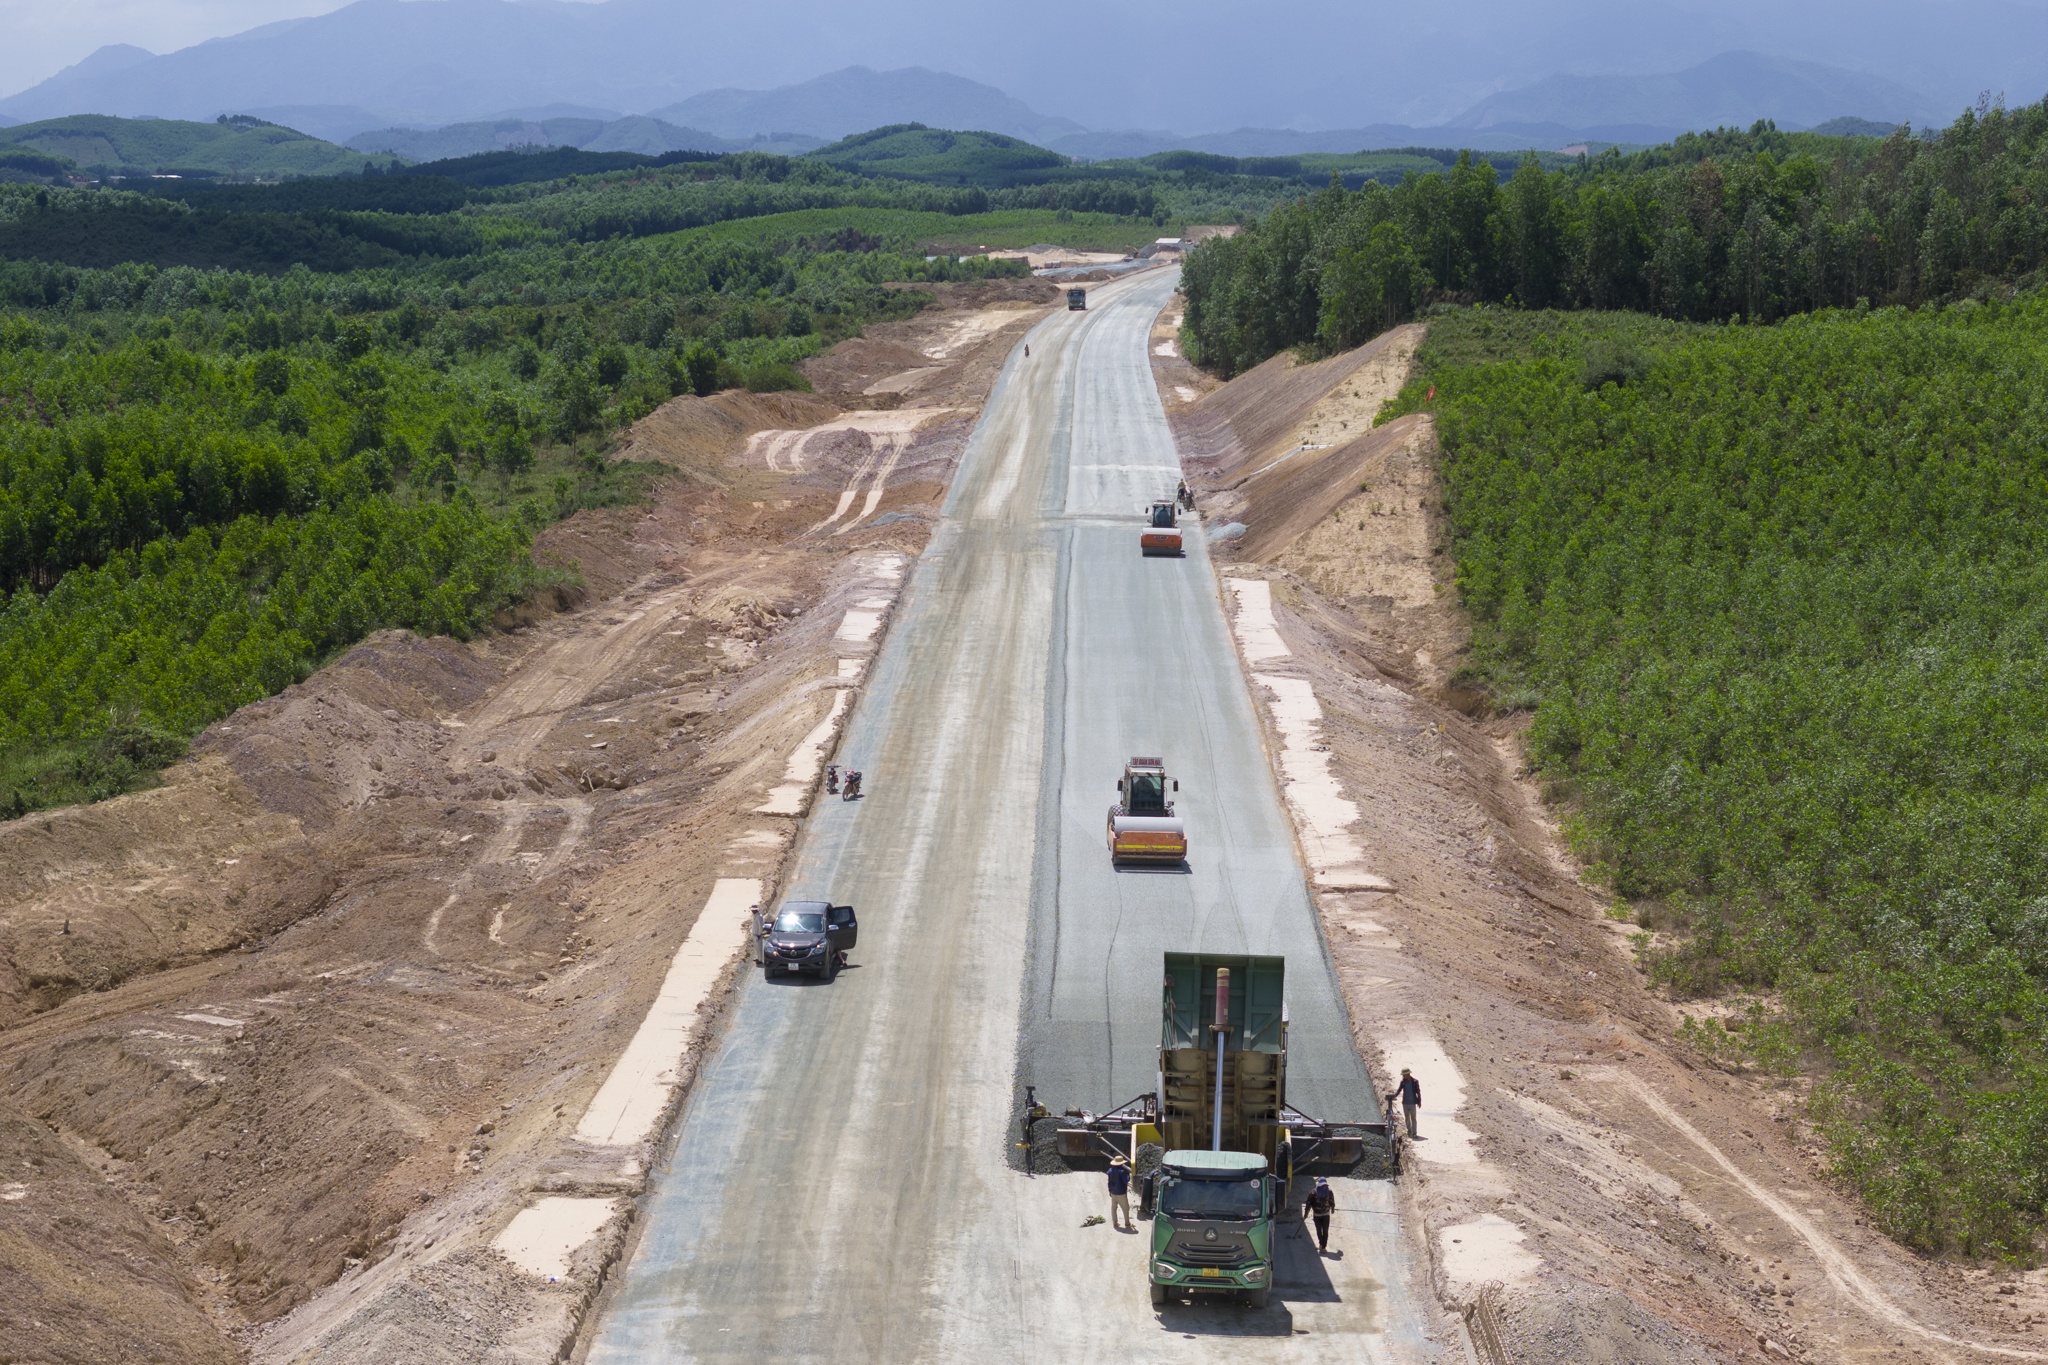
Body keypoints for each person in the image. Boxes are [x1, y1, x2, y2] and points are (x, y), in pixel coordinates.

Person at [1303, 1176, 1335, 1253]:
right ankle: (1323, 1246)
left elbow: (1308, 1204)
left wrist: (1306, 1214)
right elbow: (1332, 1202)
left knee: (1320, 1231)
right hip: (1324, 1215)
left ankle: (1322, 1245)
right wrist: (1332, 1208)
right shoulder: (1328, 1191)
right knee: (1324, 1231)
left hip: (1318, 1215)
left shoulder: (1313, 1192)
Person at [1388, 1068, 1421, 1139]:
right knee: (1407, 1118)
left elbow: (1418, 1092)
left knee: (1413, 1118)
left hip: (1412, 1103)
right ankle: (1409, 1131)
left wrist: (1419, 1102)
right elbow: (1399, 1090)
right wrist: (1394, 1096)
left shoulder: (1415, 1082)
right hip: (1405, 1103)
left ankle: (1414, 1133)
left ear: (1408, 1074)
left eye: (1404, 1075)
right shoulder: (1403, 1082)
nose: (1403, 1077)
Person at [1107, 1156, 1134, 1231]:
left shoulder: (1110, 1170)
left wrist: (1109, 1190)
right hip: (1121, 1193)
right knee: (1125, 1208)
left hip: (1113, 1192)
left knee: (1113, 1208)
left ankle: (1115, 1223)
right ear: (1121, 1164)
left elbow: (1109, 1182)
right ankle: (1127, 1223)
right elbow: (1126, 1181)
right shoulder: (1122, 1171)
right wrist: (1128, 1175)